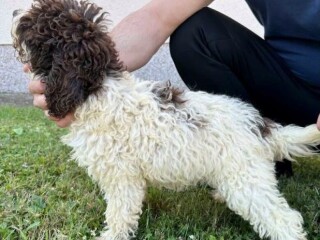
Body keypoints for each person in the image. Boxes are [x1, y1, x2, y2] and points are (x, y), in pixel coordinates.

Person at [26, 0, 320, 176]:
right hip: (293, 89)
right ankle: (259, 158)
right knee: (195, 32)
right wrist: (85, 71)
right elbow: (157, 18)